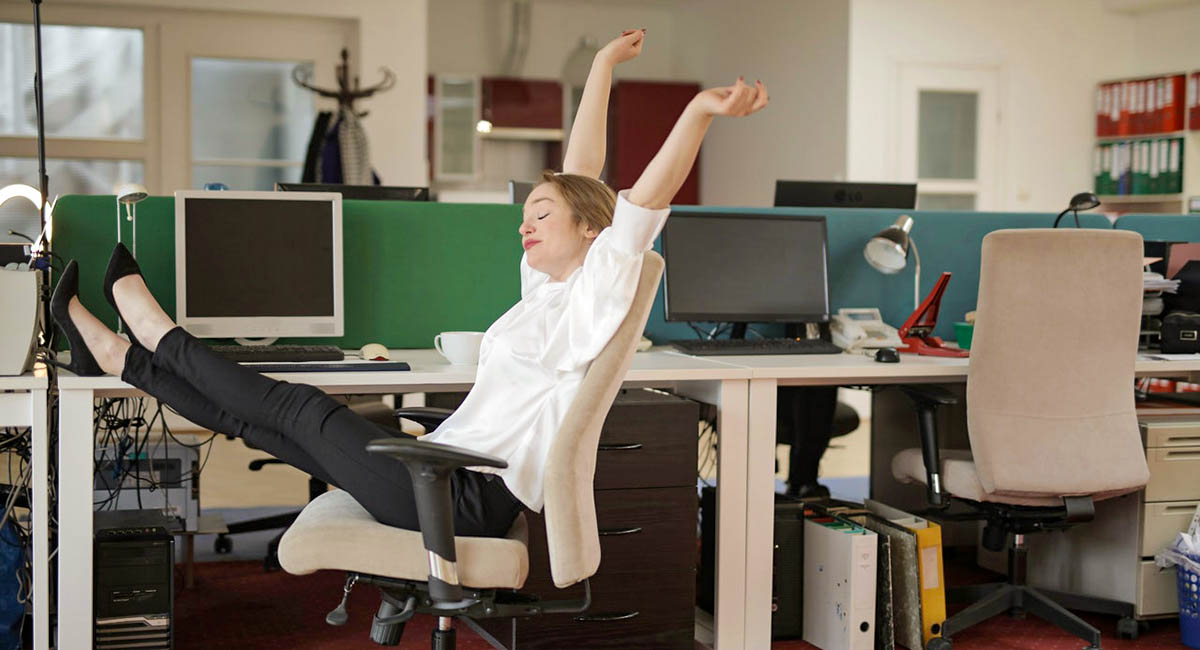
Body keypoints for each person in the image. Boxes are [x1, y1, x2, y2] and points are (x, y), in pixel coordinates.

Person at [50, 29, 769, 540]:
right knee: (254, 422)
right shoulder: (545, 289)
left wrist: (698, 113)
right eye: (525, 214)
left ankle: (156, 333)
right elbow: (579, 170)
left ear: (589, 231)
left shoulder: (599, 290)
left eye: (540, 214)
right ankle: (126, 357)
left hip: (466, 497)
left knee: (300, 408)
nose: (525, 224)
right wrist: (605, 66)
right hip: (444, 466)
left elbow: (639, 203)